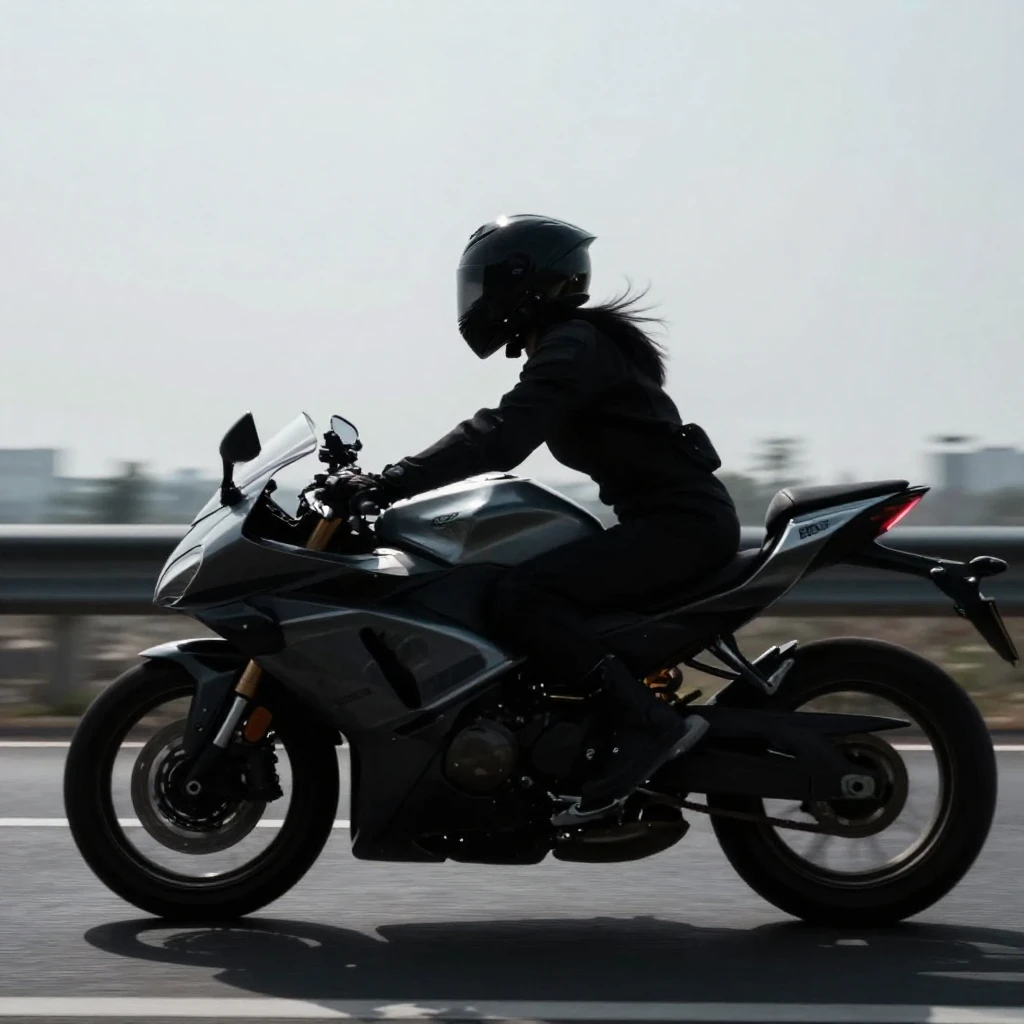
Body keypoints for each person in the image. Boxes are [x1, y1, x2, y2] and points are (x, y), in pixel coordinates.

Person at [320, 214, 741, 824]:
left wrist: (390, 482)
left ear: (526, 282)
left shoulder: (573, 347)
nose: (477, 300)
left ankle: (646, 724)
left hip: (680, 528)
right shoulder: (576, 343)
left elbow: (500, 434)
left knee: (523, 596)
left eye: (486, 284)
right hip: (671, 523)